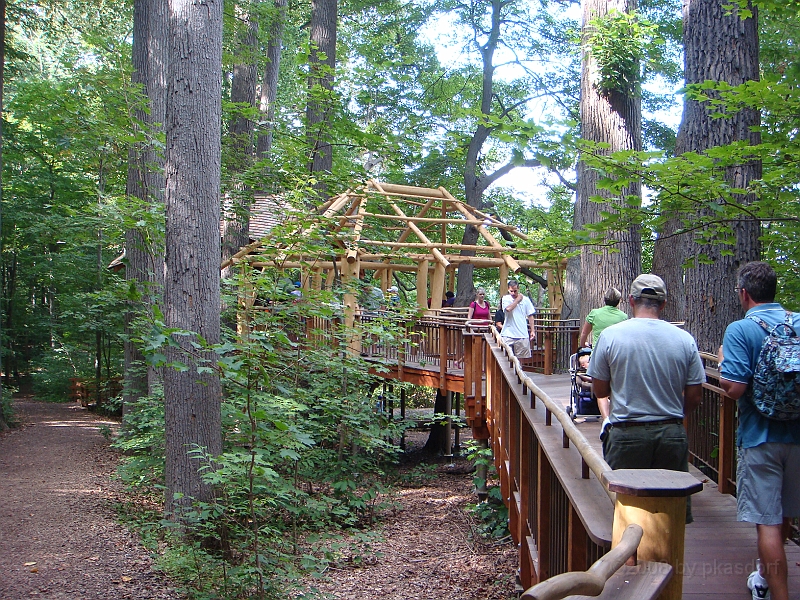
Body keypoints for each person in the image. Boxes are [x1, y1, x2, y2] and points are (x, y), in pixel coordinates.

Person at [587, 274, 705, 523]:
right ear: (663, 304)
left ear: (630, 300)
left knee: (628, 513)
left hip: (626, 433)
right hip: (671, 433)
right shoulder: (684, 340)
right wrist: (672, 415)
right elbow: (695, 396)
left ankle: (630, 561)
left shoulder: (610, 336)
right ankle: (670, 561)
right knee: (671, 513)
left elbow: (599, 391)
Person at [718, 261, 800, 600]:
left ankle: (777, 595)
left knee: (767, 521)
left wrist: (724, 362)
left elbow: (734, 388)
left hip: (759, 436)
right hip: (797, 435)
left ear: (744, 293)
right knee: (784, 517)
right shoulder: (797, 322)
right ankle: (764, 577)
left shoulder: (741, 329)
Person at [500, 280, 536, 358]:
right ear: (508, 289)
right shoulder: (505, 298)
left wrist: (532, 330)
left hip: (522, 334)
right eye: (511, 291)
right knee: (504, 358)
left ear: (518, 288)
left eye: (515, 291)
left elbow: (530, 315)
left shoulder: (526, 300)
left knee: (521, 360)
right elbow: (508, 309)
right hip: (507, 334)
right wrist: (518, 300)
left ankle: (518, 371)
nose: (513, 293)